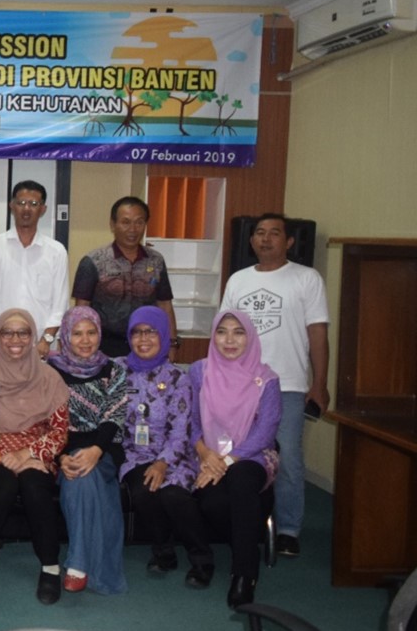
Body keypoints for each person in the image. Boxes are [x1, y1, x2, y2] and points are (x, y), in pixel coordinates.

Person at [221, 212, 328, 558]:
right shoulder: (238, 280)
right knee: (239, 454)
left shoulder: (306, 279)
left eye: (275, 233)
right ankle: (240, 522)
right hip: (242, 385)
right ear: (251, 241)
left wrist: (320, 383)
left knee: (289, 459)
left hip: (288, 385)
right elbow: (224, 332)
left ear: (289, 241)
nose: (266, 239)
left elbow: (318, 334)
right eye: (260, 233)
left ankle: (288, 529)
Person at [0, 308, 70, 606]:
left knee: (36, 486)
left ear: (33, 336)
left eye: (23, 332)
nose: (15, 339)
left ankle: (50, 566)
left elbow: (60, 431)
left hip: (35, 452)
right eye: (7, 332)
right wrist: (3, 455)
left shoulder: (49, 377)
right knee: (4, 485)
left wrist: (29, 454)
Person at [189, 310, 282, 609]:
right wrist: (205, 453)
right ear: (213, 335)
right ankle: (251, 528)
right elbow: (190, 421)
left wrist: (228, 461)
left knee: (241, 481)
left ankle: (245, 573)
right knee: (212, 503)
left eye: (238, 332)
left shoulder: (266, 379)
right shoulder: (199, 371)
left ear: (250, 337)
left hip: (251, 456)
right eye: (222, 331)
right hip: (208, 455)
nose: (229, 340)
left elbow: (266, 430)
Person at [119, 306, 214, 588]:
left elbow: (182, 430)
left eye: (151, 332)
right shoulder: (118, 371)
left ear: (163, 336)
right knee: (144, 491)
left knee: (173, 496)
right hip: (134, 456)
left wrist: (162, 463)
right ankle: (164, 553)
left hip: (174, 455)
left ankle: (202, 559)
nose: (143, 338)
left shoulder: (177, 378)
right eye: (137, 332)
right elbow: (80, 356)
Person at [46, 306, 129, 595]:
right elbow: (44, 420)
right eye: (77, 333)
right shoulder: (50, 370)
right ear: (65, 336)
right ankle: (80, 566)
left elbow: (114, 416)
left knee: (83, 475)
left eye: (91, 332)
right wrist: (60, 456)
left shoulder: (114, 369)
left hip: (104, 449)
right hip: (61, 450)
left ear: (100, 334)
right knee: (80, 476)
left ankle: (77, 563)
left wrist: (95, 450)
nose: (85, 340)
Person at [73, 196, 178, 358]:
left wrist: (172, 344)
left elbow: (165, 304)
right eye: (126, 222)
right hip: (104, 347)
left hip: (147, 344)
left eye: (139, 222)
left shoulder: (156, 260)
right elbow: (81, 309)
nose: (133, 229)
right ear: (113, 224)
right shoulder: (93, 261)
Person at [0, 180, 69, 359]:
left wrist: (46, 340)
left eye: (34, 204)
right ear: (12, 206)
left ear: (43, 209)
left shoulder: (56, 251)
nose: (26, 209)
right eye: (21, 203)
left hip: (41, 349)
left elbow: (60, 305)